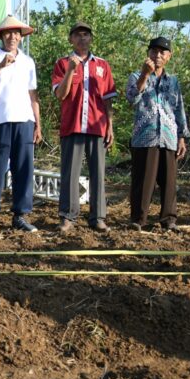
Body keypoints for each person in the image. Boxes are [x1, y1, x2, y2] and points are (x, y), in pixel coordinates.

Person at [0, 15, 42, 233]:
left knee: (23, 169)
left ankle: (20, 215)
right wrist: (0, 66)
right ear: (2, 36)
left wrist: (38, 123)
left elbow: (33, 94)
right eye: (8, 33)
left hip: (24, 120)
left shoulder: (28, 62)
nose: (12, 37)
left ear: (21, 37)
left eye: (16, 33)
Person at [52, 21, 116, 232]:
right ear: (71, 39)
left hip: (97, 126)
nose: (82, 38)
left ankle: (98, 217)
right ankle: (68, 216)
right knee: (70, 174)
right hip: (72, 126)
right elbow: (61, 94)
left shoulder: (103, 65)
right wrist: (71, 70)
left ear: (91, 38)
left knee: (98, 173)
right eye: (78, 35)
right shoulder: (63, 63)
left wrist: (110, 126)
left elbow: (108, 99)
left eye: (86, 34)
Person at [126, 36, 190, 232]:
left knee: (169, 182)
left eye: (162, 52)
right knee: (143, 182)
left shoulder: (173, 81)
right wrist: (145, 75)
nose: (158, 55)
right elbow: (132, 99)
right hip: (145, 137)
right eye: (154, 51)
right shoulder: (136, 76)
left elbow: (179, 109)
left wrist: (181, 137)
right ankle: (138, 219)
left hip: (169, 137)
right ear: (148, 53)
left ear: (169, 56)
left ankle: (169, 220)